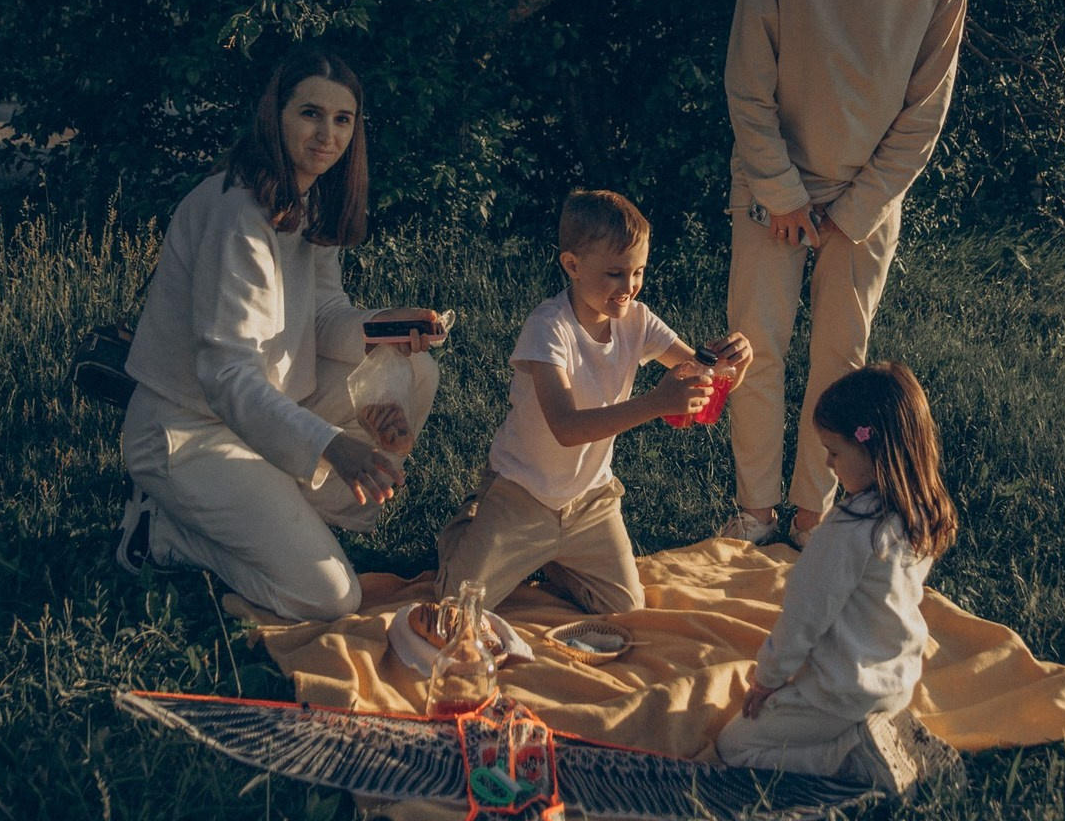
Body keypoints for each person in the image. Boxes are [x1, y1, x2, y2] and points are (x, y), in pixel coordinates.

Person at [116, 47, 445, 621]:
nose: (328, 134)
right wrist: (328, 443)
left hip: (263, 416)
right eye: (310, 113)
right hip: (188, 432)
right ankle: (162, 533)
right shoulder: (236, 212)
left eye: (343, 119)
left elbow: (323, 318)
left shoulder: (307, 200)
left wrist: (391, 328)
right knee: (331, 597)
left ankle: (280, 515)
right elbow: (225, 374)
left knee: (416, 369)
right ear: (277, 115)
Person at [722, 0, 966, 548]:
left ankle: (810, 517)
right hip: (773, 184)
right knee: (755, 347)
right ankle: (755, 513)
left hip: (869, 196)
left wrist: (855, 208)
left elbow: (927, 111)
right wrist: (782, 191)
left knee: (841, 359)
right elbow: (747, 82)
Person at [435, 189, 752, 614]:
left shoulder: (637, 320)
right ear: (573, 265)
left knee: (626, 609)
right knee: (455, 611)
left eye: (638, 272)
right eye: (616, 274)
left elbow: (703, 375)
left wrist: (732, 365)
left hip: (590, 501)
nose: (630, 287)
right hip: (521, 494)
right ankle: (468, 528)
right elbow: (566, 427)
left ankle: (553, 556)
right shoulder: (549, 328)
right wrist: (656, 402)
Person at [716, 362, 961, 796]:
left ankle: (847, 755)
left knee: (734, 746)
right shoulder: (920, 511)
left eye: (834, 451)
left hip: (840, 693)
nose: (828, 464)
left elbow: (804, 616)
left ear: (873, 449)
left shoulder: (847, 530)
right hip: (897, 681)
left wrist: (768, 679)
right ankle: (876, 731)